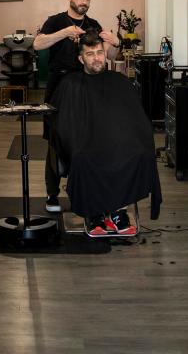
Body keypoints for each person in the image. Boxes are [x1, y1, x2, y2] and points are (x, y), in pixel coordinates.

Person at [53, 31, 162, 236]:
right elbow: (65, 125)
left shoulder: (119, 81)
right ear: (81, 58)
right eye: (90, 53)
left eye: (100, 52)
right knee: (83, 157)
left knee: (139, 153)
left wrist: (138, 140)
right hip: (85, 143)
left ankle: (118, 211)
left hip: (116, 143)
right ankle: (94, 213)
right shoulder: (71, 84)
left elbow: (135, 119)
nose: (96, 58)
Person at [33, 0, 119, 212]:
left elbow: (108, 55)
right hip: (59, 87)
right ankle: (52, 194)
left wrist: (115, 43)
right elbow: (38, 44)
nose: (85, 2)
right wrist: (64, 33)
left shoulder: (93, 24)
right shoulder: (56, 21)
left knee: (87, 140)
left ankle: (83, 188)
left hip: (87, 88)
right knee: (55, 140)